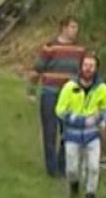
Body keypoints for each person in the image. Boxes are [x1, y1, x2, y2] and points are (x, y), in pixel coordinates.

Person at [30, 18, 85, 176]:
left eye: (77, 27)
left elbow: (83, 71)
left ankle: (63, 165)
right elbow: (37, 69)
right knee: (50, 130)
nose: (75, 30)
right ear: (63, 28)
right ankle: (51, 168)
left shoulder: (80, 50)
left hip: (70, 95)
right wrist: (31, 90)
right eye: (73, 27)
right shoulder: (50, 46)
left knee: (68, 130)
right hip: (50, 92)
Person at [56, 53, 106, 198]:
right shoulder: (69, 87)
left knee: (93, 167)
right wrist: (80, 120)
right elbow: (60, 110)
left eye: (91, 66)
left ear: (96, 69)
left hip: (93, 135)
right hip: (72, 135)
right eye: (85, 65)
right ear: (80, 67)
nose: (88, 69)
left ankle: (90, 195)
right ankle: (74, 186)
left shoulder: (102, 88)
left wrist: (103, 121)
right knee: (72, 169)